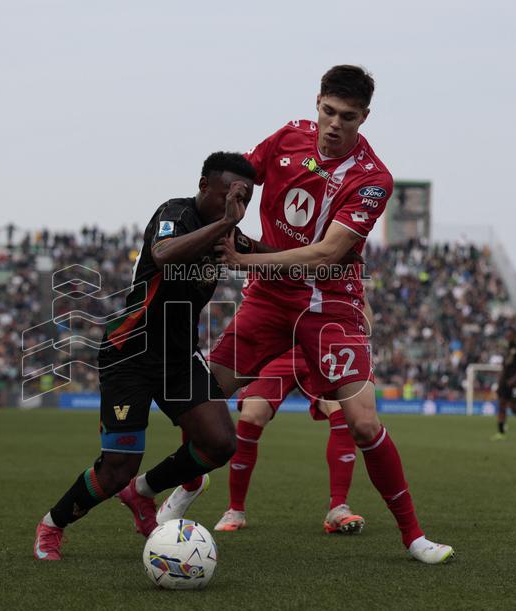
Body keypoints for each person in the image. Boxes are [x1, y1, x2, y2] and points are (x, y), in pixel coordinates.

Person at [209, 65, 452, 564]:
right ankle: (177, 494)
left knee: (362, 422)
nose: (335, 124)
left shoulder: (372, 179)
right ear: (316, 103)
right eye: (328, 112)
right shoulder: (286, 138)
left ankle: (413, 537)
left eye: (348, 116)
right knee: (204, 394)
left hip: (330, 305)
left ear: (364, 118)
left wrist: (244, 259)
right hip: (271, 298)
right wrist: (225, 208)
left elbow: (327, 253)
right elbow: (241, 177)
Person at [34, 151, 256, 561]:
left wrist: (330, 252)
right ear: (204, 185)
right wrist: (227, 222)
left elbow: (270, 257)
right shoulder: (176, 213)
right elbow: (165, 254)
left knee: (220, 443)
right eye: (228, 195)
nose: (235, 207)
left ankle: (141, 492)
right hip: (130, 353)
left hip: (178, 358)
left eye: (244, 199)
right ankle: (52, 524)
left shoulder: (230, 235)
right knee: (117, 465)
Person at [209, 347, 364, 534]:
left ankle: (338, 508)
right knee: (251, 416)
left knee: (341, 410)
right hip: (276, 349)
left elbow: (365, 320)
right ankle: (235, 510)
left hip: (316, 350)